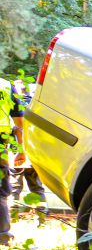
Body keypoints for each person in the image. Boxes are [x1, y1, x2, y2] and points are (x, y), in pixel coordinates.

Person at [8, 80, 46, 211]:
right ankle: (41, 216)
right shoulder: (37, 106)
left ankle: (13, 213)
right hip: (35, 151)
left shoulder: (13, 105)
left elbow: (15, 127)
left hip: (17, 151)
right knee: (36, 185)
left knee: (14, 184)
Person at [0, 76, 23, 245]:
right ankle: (3, 234)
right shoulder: (6, 86)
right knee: (1, 191)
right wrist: (20, 150)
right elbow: (19, 121)